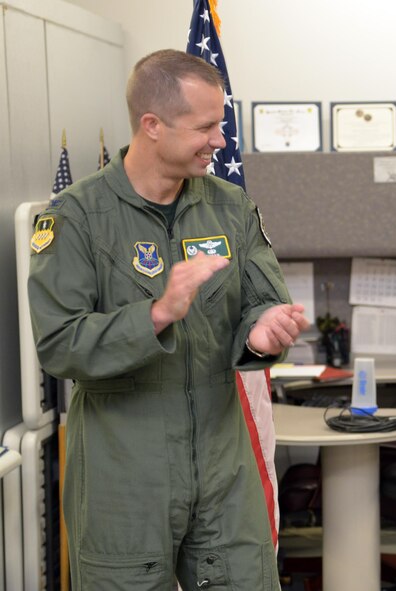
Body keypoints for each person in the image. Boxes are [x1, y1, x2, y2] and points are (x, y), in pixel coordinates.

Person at [28, 49, 309, 590]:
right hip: (123, 474)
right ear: (152, 125)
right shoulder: (76, 217)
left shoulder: (230, 207)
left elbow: (263, 301)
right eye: (205, 127)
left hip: (223, 468)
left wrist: (264, 333)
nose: (220, 140)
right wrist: (156, 315)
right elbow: (59, 343)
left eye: (220, 124)